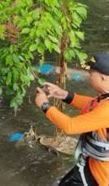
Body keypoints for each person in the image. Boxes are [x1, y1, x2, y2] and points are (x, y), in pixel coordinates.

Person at [35, 53, 109, 186]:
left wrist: (45, 105)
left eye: (91, 73)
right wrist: (63, 94)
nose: (89, 76)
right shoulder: (105, 99)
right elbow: (93, 105)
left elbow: (71, 126)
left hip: (101, 177)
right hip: (92, 166)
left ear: (103, 78)